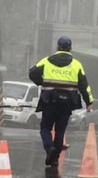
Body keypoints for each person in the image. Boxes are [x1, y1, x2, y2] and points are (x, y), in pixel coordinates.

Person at [28, 36, 93, 166]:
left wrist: (42, 82)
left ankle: (49, 148)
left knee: (45, 128)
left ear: (57, 47)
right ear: (70, 48)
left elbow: (32, 73)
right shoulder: (76, 64)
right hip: (67, 103)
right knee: (60, 131)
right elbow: (84, 85)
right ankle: (55, 158)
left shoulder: (46, 61)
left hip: (49, 101)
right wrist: (89, 102)